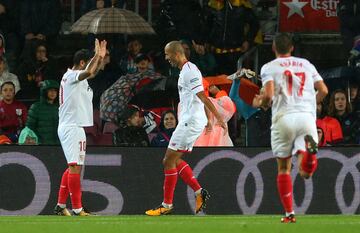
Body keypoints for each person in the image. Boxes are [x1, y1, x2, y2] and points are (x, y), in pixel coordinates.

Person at [252, 33, 328, 223]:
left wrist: (259, 102)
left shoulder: (269, 67)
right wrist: (310, 105)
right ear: (292, 47)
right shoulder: (306, 64)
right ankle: (308, 156)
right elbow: (324, 90)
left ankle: (289, 214)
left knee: (284, 167)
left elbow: (268, 96)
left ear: (273, 48)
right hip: (306, 117)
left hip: (283, 118)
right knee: (306, 172)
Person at [145, 41, 227, 216]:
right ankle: (199, 192)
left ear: (176, 53)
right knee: (174, 160)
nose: (166, 58)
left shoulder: (190, 71)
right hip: (189, 121)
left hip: (190, 122)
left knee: (168, 160)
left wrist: (218, 118)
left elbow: (203, 97)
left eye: (167, 54)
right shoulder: (186, 70)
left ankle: (166, 205)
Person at [53, 39, 107, 216]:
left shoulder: (78, 79)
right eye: (89, 61)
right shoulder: (71, 76)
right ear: (82, 63)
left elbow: (92, 72)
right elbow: (89, 71)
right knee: (75, 167)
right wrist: (97, 56)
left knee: (73, 167)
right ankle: (77, 208)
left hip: (75, 126)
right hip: (71, 127)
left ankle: (61, 206)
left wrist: (100, 58)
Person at [25, 80, 60, 145]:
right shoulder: (36, 107)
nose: (53, 93)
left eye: (55, 90)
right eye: (50, 90)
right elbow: (29, 129)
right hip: (41, 146)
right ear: (44, 91)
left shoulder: (61, 108)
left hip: (59, 145)